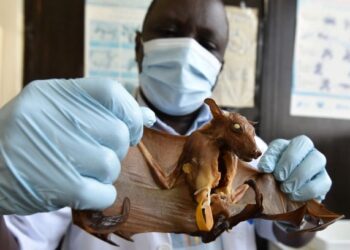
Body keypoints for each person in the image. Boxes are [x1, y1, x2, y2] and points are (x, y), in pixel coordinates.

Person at [1, 0, 332, 249]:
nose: (188, 50)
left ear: (219, 67)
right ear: (138, 46)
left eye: (207, 42)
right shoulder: (86, 136)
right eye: (170, 32)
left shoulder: (249, 149)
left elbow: (290, 234)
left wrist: (300, 198)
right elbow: (18, 239)